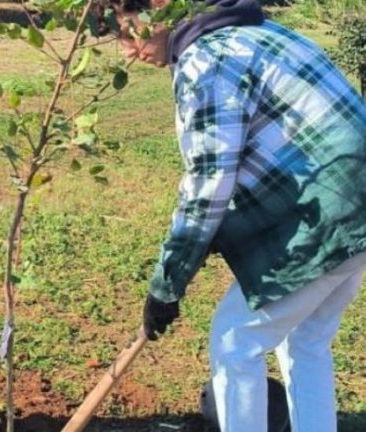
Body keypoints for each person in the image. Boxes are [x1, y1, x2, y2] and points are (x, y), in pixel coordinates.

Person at [93, 0, 366, 430]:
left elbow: (209, 181)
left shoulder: (208, 59)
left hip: (326, 218)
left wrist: (168, 283)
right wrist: (203, 244)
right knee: (306, 340)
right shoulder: (264, 33)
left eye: (127, 33)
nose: (127, 50)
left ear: (157, 9)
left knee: (236, 341)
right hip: (356, 208)